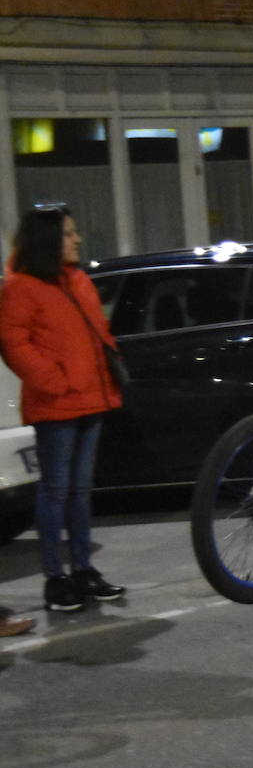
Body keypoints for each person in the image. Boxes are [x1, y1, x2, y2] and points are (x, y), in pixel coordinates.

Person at [0, 205, 126, 612]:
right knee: (55, 491)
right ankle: (56, 579)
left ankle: (83, 571)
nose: (76, 240)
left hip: (92, 397)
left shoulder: (76, 279)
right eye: (69, 234)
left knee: (80, 491)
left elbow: (97, 334)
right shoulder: (21, 286)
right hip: (56, 404)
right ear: (48, 240)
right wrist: (54, 381)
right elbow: (14, 343)